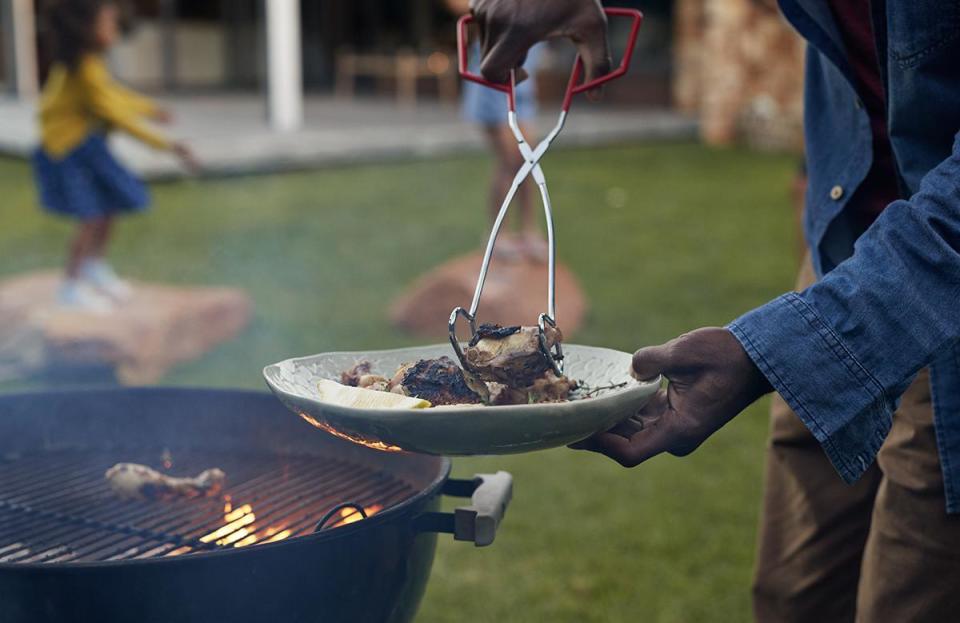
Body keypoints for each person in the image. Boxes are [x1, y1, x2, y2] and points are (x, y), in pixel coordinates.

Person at [469, 0, 960, 620]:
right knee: (792, 595)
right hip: (840, 249)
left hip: (941, 297)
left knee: (907, 593)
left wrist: (775, 354)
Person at [33, 0, 196, 312]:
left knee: (109, 205)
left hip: (87, 144)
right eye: (106, 23)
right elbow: (113, 112)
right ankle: (70, 286)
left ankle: (94, 268)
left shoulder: (91, 64)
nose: (113, 29)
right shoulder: (81, 70)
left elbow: (114, 96)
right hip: (66, 150)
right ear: (84, 29)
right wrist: (168, 145)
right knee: (91, 216)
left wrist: (150, 109)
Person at [446, 0, 547, 262]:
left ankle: (528, 231)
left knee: (530, 159)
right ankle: (497, 234)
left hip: (522, 83)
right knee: (509, 160)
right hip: (492, 84)